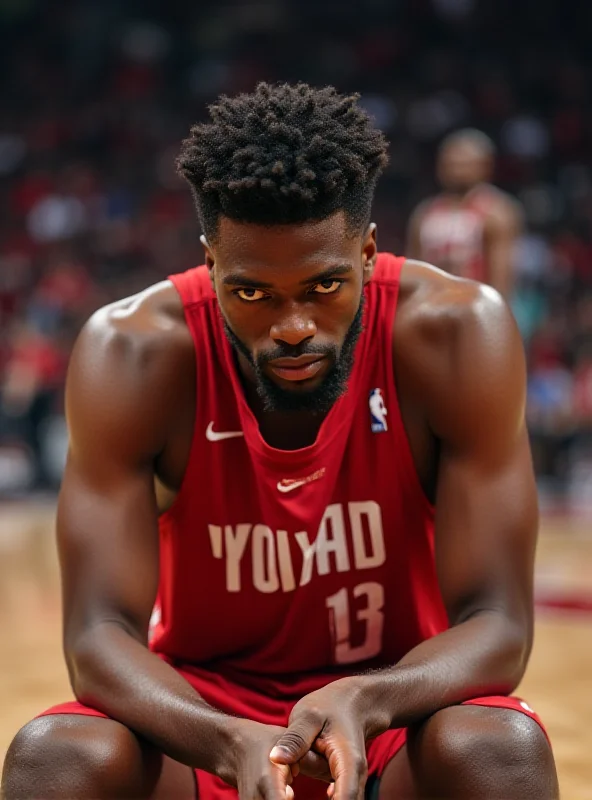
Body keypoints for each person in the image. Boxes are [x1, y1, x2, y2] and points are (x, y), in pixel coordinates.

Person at [1, 83, 558, 800]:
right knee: (55, 759)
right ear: (210, 265)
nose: (293, 326)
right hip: (202, 719)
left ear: (367, 252)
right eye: (253, 294)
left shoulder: (456, 334)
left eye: (324, 286)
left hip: (393, 705)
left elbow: (499, 623)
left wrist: (366, 700)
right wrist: (226, 740)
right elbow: (97, 637)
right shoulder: (132, 353)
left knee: (498, 752)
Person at [406, 129, 522, 299]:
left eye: (464, 164)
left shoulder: (496, 211)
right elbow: (412, 267)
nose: (456, 170)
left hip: (474, 310)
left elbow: (502, 277)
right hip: (430, 307)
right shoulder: (425, 212)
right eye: (450, 164)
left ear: (485, 166)